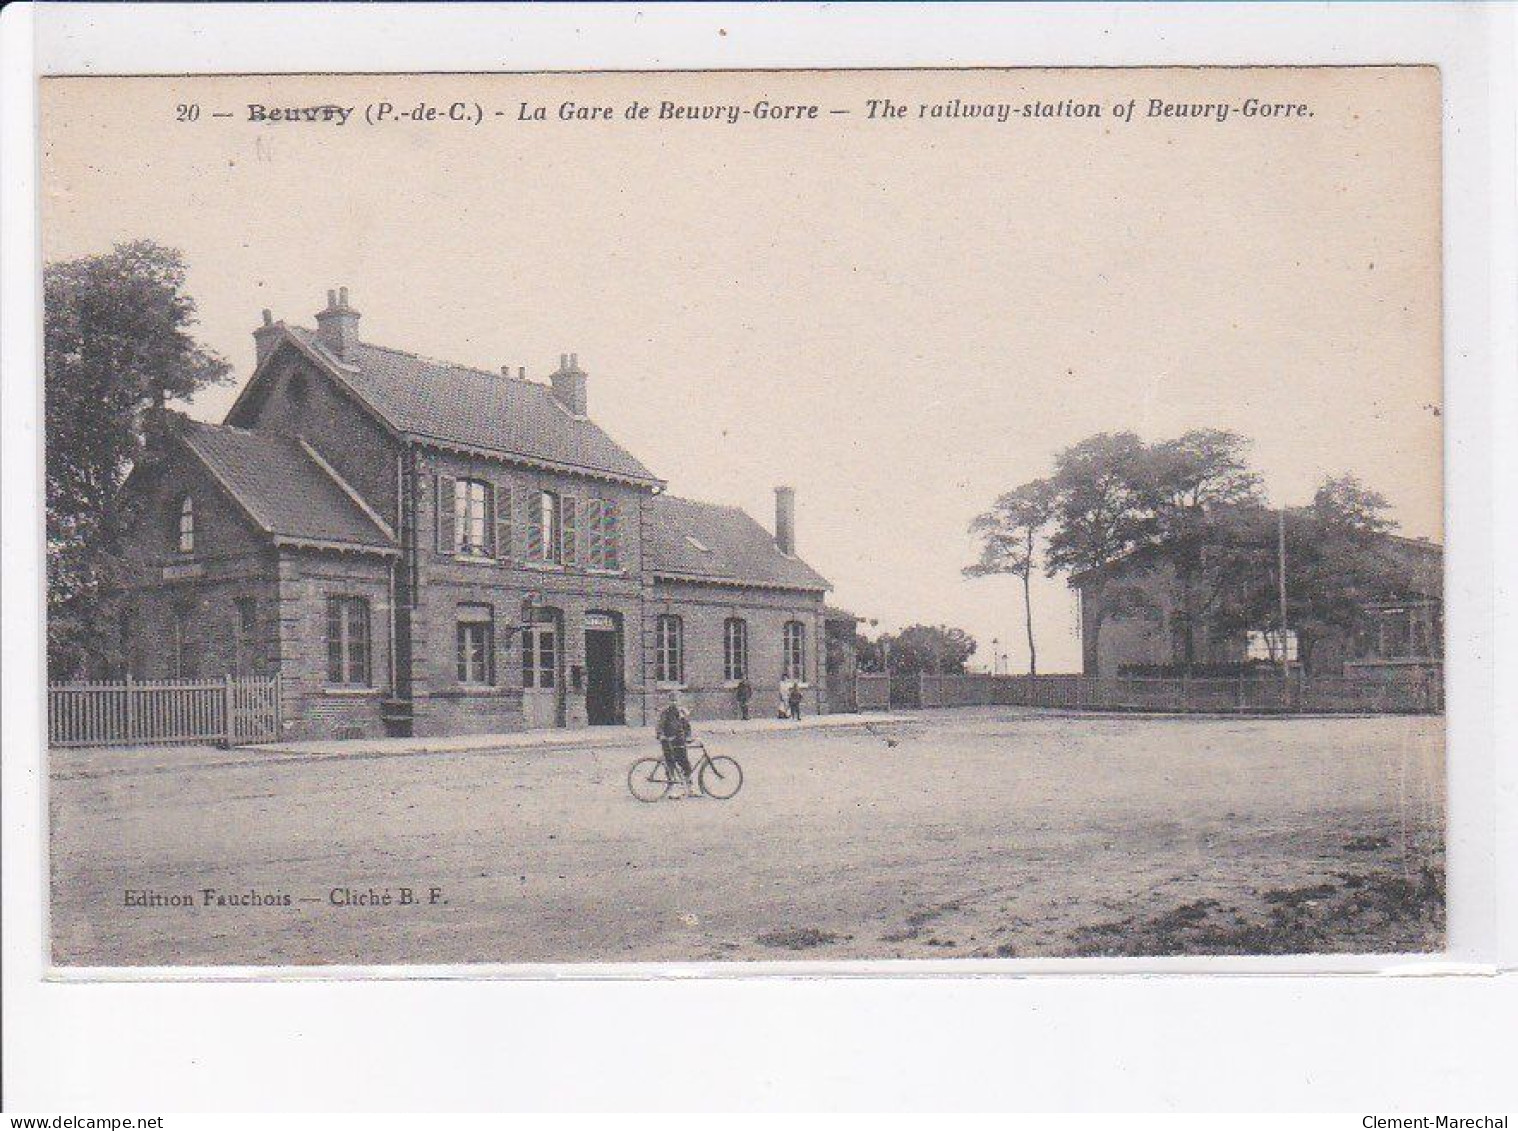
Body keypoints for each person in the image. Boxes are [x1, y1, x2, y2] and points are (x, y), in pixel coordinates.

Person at [655, 691, 696, 797]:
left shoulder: (681, 712)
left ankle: (689, 788)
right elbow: (660, 725)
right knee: (670, 765)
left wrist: (688, 737)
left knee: (685, 764)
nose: (674, 703)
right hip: (668, 741)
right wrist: (661, 735)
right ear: (669, 701)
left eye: (676, 700)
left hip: (680, 741)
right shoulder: (666, 712)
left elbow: (686, 726)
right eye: (672, 700)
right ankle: (671, 789)